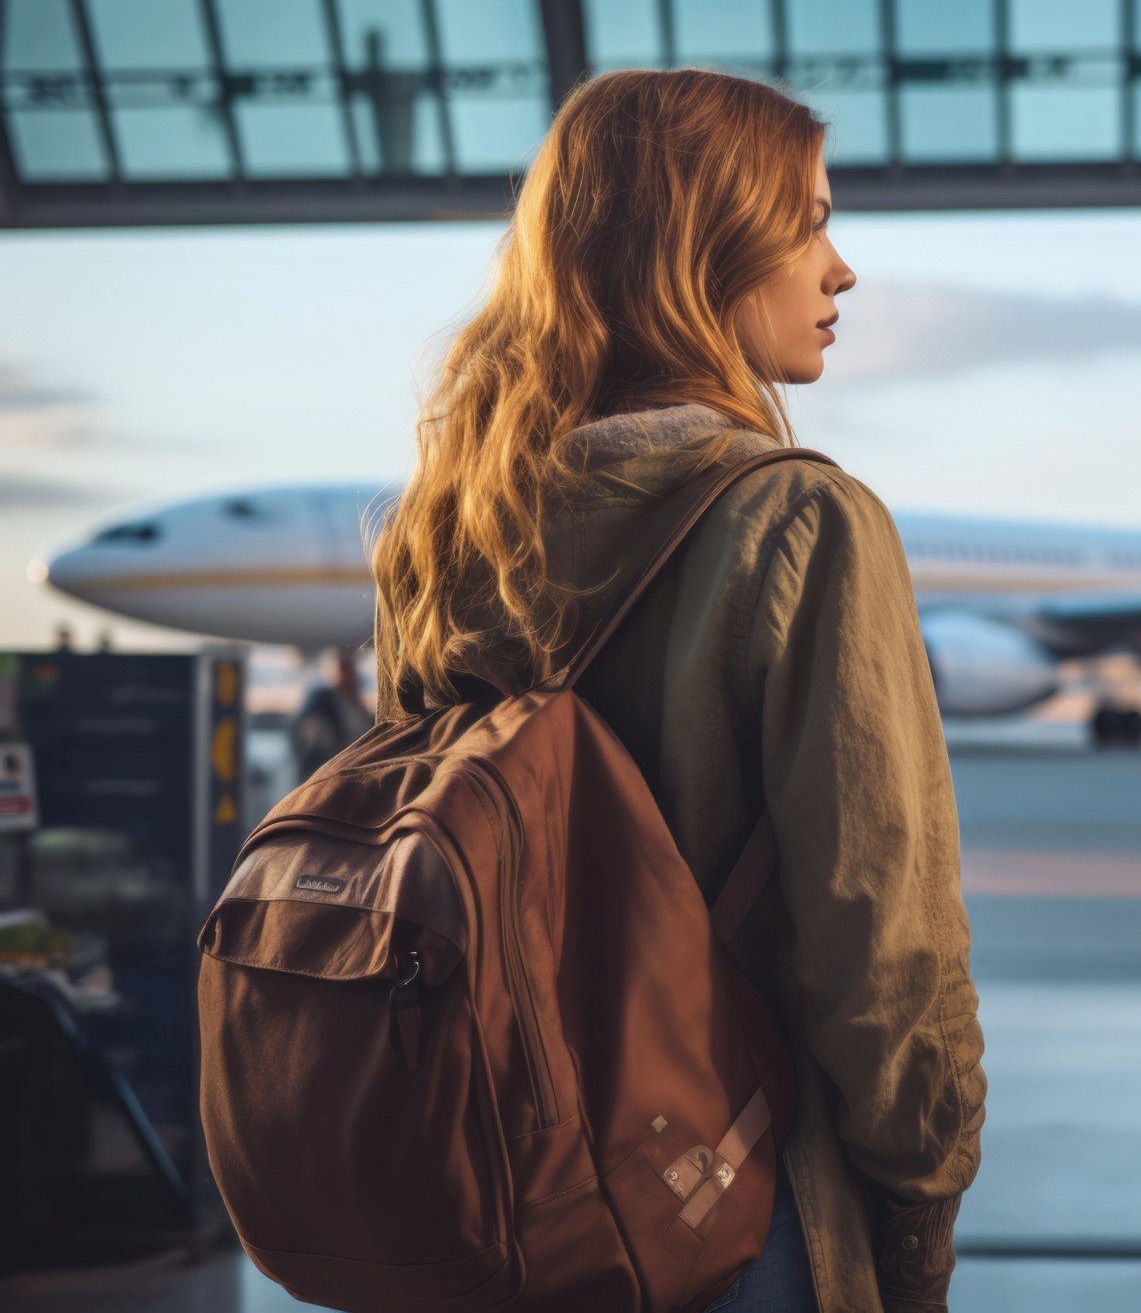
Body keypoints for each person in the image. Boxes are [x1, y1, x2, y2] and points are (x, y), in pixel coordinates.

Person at [368, 69, 982, 1313]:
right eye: (806, 220)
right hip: (729, 1210)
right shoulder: (802, 520)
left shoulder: (446, 531)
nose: (840, 268)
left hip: (486, 1194)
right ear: (699, 250)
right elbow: (883, 948)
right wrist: (917, 1224)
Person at [287, 647, 373, 780]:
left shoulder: (356, 706)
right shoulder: (323, 703)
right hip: (331, 776)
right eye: (344, 669)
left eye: (350, 669)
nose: (351, 677)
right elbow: (314, 744)